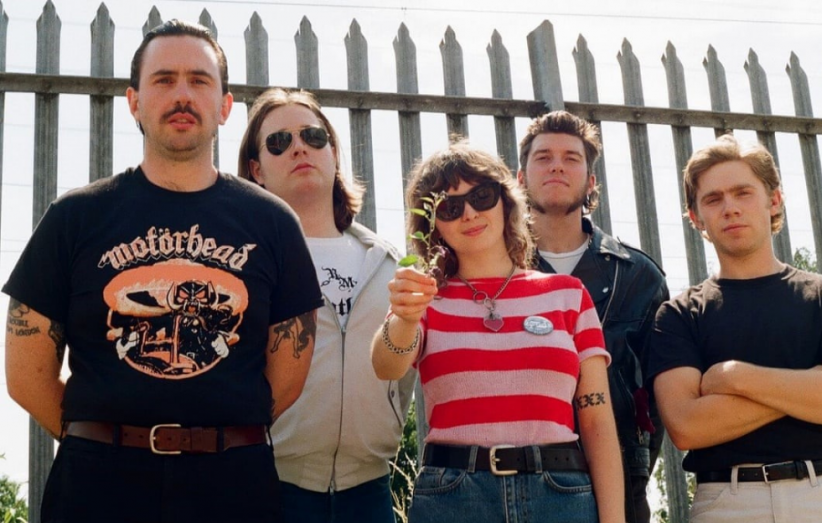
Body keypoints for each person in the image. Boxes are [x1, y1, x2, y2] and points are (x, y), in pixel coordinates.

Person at [4, 20, 322, 523]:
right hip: (96, 488)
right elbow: (26, 374)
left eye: (199, 80)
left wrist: (218, 431)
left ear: (224, 106)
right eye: (164, 79)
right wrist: (100, 439)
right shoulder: (74, 217)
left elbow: (286, 378)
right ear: (134, 101)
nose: (182, 95)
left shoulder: (274, 223)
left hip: (233, 486)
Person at [370, 142, 625, 523]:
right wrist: (405, 318)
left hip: (560, 496)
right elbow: (386, 366)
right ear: (433, 224)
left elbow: (597, 422)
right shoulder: (423, 298)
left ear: (506, 200)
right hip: (454, 499)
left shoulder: (568, 295)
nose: (469, 213)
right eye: (450, 207)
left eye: (481, 196)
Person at [647, 134, 822, 522]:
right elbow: (687, 427)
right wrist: (814, 383)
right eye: (713, 199)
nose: (730, 208)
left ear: (773, 200)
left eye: (743, 193)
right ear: (696, 217)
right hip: (726, 502)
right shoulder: (679, 315)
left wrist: (735, 377)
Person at [238, 87, 416, 523]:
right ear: (257, 170)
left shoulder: (388, 262)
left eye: (313, 136)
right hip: (269, 487)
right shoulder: (245, 264)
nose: (299, 147)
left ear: (333, 152)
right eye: (279, 141)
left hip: (370, 492)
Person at [517, 111, 669, 523]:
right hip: (517, 483)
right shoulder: (496, 272)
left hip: (620, 486)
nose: (557, 166)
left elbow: (658, 396)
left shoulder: (639, 277)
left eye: (571, 158)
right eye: (543, 157)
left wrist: (632, 466)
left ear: (591, 182)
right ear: (520, 178)